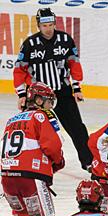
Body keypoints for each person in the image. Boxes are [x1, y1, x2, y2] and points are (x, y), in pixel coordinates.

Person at [13, 7, 93, 171]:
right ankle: (29, 163)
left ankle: (89, 163)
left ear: (54, 23)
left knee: (77, 128)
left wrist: (76, 88)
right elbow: (19, 70)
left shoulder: (65, 40)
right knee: (33, 131)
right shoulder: (29, 44)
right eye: (44, 26)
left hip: (63, 93)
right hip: (38, 97)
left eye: (50, 25)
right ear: (38, 26)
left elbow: (74, 64)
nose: (48, 29)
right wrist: (22, 94)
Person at [1, 82, 65, 216]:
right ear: (37, 99)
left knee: (19, 211)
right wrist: (58, 162)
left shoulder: (12, 119)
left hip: (7, 176)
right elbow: (52, 145)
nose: (49, 107)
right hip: (31, 176)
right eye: (47, 102)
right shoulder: (40, 116)